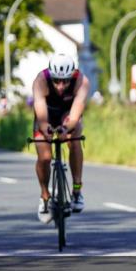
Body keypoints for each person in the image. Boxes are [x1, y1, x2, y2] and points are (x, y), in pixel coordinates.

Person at [31, 54, 90, 223]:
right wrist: (46, 130)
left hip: (67, 114)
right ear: (51, 76)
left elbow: (76, 112)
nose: (61, 86)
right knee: (45, 157)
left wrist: (66, 129)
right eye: (57, 81)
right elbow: (41, 115)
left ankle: (77, 191)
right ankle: (44, 196)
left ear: (72, 76)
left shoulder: (82, 82)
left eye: (65, 81)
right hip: (47, 115)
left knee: (75, 137)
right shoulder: (40, 81)